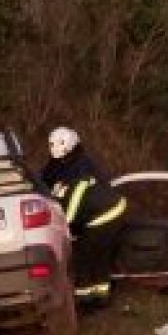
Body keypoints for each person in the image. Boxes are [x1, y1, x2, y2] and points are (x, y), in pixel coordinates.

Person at [42, 127, 127, 308]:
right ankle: (97, 295)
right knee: (93, 254)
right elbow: (46, 179)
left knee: (88, 254)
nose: (52, 147)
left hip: (106, 212)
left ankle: (91, 299)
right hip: (98, 212)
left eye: (55, 144)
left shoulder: (80, 168)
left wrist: (68, 226)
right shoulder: (62, 164)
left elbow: (75, 202)